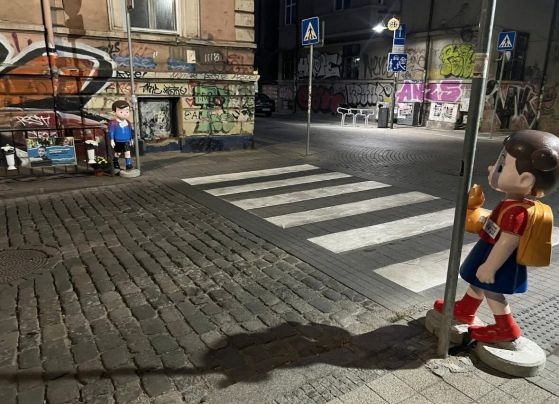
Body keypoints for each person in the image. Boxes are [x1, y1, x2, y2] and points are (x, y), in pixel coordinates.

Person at [434, 130, 559, 343]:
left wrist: (490, 266)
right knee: (478, 282)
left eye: (501, 166)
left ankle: (506, 328)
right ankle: (465, 309)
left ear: (525, 179)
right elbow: (495, 226)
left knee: (492, 291)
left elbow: (508, 241)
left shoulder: (517, 212)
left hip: (499, 258)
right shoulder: (512, 205)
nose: (492, 168)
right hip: (490, 250)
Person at [108, 100, 134, 171]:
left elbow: (130, 131)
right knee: (118, 153)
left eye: (127, 111)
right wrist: (112, 140)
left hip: (126, 140)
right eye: (121, 112)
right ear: (114, 112)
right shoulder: (114, 123)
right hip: (118, 141)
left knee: (127, 152)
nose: (125, 114)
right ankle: (115, 161)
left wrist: (131, 139)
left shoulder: (128, 122)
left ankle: (128, 164)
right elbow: (111, 132)